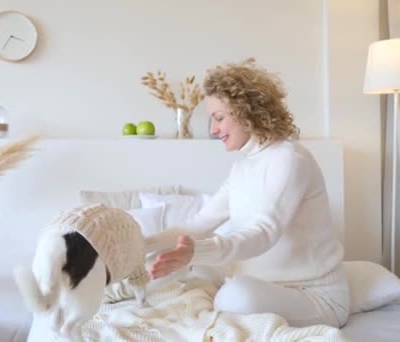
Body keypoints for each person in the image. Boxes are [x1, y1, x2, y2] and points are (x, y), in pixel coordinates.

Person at [145, 59, 349, 328]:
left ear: (246, 112)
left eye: (219, 118)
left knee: (233, 296)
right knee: (187, 278)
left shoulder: (289, 159)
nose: (213, 130)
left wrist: (198, 252)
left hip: (312, 295)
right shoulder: (243, 167)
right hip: (264, 286)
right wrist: (142, 244)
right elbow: (199, 223)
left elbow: (264, 232)